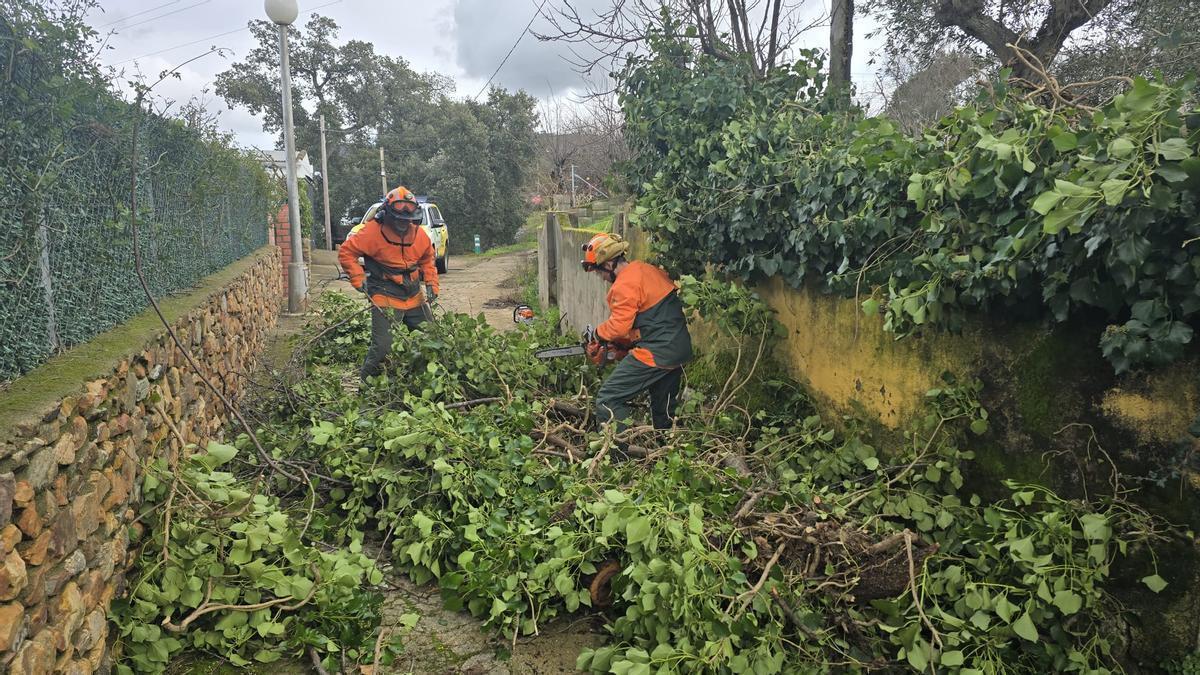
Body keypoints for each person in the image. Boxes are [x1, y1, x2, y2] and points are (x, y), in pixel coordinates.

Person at [582, 232, 693, 430]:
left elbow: (619, 326)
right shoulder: (647, 270)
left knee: (609, 398)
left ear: (608, 265)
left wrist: (597, 334)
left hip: (657, 351)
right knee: (664, 411)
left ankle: (615, 457)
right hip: (678, 347)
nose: (601, 278)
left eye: (599, 273)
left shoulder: (624, 284)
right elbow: (652, 318)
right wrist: (620, 345)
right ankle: (669, 452)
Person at [338, 185, 439, 380]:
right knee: (384, 347)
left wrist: (431, 283)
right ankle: (367, 390)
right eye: (399, 219)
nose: (403, 224)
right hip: (384, 293)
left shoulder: (419, 234)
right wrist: (358, 278)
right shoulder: (371, 233)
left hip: (413, 294)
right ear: (388, 214)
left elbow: (428, 258)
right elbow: (346, 252)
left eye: (407, 220)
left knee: (432, 339)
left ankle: (426, 381)